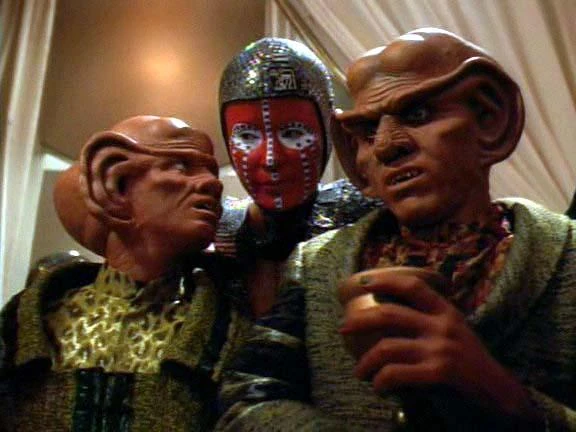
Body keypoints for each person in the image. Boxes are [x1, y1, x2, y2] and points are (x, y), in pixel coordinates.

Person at [215, 28, 576, 431]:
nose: (387, 145)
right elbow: (245, 400)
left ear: (490, 118)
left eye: (417, 114)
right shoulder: (317, 264)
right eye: (368, 132)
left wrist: (507, 399)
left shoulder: (564, 259)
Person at [0, 115, 249, 431]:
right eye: (181, 166)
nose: (212, 183)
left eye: (210, 170)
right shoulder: (30, 324)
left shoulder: (228, 329)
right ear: (114, 180)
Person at [216, 37, 381, 316]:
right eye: (247, 137)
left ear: (328, 132)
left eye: (293, 134)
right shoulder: (218, 231)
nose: (270, 159)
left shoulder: (367, 217)